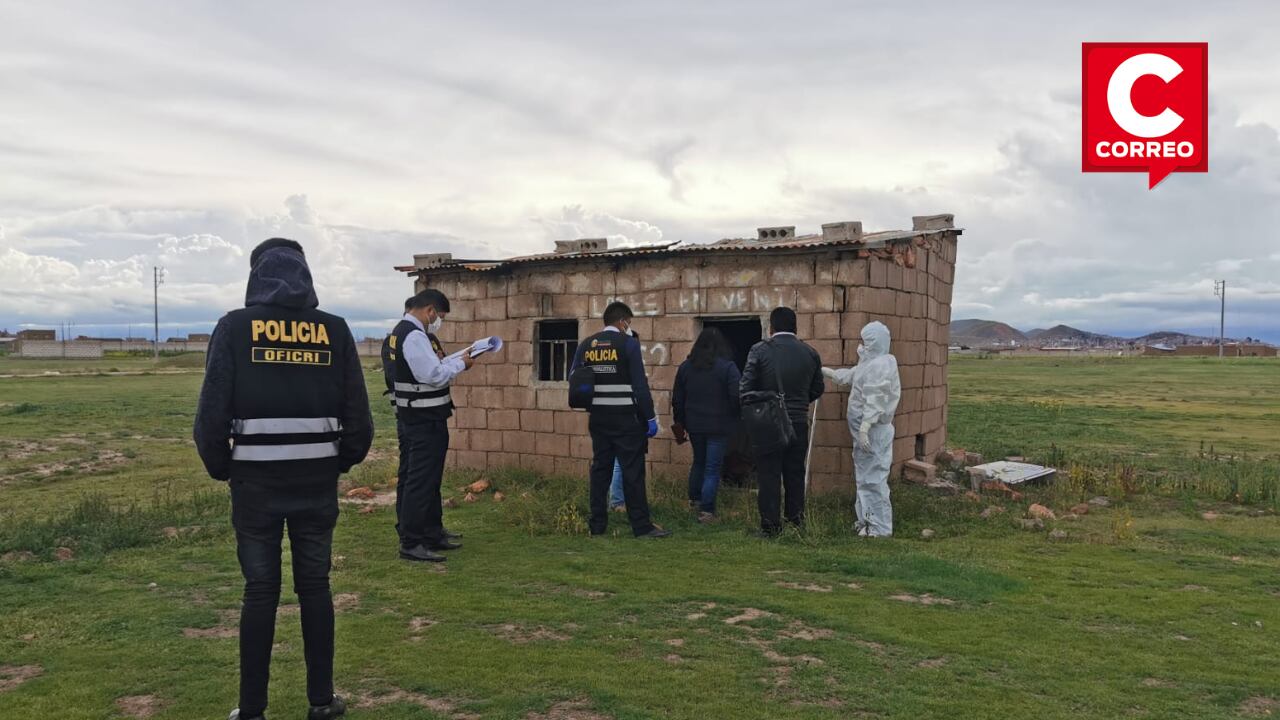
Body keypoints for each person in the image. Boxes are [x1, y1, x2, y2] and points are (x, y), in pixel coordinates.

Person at [194, 238, 373, 720]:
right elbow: (360, 420)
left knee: (260, 591)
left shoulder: (234, 327)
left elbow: (211, 414)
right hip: (316, 484)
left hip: (254, 485)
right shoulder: (334, 330)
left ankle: (252, 710)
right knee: (315, 587)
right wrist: (337, 463)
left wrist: (223, 468)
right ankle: (321, 701)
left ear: (256, 276)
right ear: (305, 274)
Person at [569, 301, 670, 538]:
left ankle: (597, 525)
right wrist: (650, 417)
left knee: (600, 470)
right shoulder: (629, 344)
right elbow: (639, 385)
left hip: (599, 419)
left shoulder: (586, 344)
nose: (629, 326)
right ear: (622, 321)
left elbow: (574, 376)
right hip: (626, 419)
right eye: (629, 322)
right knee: (632, 472)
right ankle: (641, 526)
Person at [388, 289, 475, 562]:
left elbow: (431, 366)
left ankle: (431, 532)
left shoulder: (399, 333)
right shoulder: (413, 336)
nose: (438, 322)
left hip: (415, 417)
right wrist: (461, 365)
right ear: (430, 310)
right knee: (420, 481)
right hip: (423, 420)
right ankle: (412, 541)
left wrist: (457, 359)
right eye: (440, 317)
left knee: (425, 479)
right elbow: (433, 375)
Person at [739, 306, 824, 536]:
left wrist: (766, 403)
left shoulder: (759, 350)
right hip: (798, 421)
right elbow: (818, 388)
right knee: (795, 473)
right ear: (795, 327)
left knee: (769, 475)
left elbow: (745, 388)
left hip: (769, 424)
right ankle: (796, 523)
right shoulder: (810, 353)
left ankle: (770, 526)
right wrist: (798, 402)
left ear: (771, 327)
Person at [822, 321, 901, 537]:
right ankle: (866, 521)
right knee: (864, 478)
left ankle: (879, 528)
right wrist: (826, 372)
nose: (862, 345)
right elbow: (848, 377)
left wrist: (865, 427)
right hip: (863, 433)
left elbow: (876, 399)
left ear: (874, 342)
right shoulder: (870, 363)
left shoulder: (881, 366)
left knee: (874, 479)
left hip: (873, 433)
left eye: (866, 341)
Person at [673, 326, 741, 523]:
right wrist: (734, 416)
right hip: (719, 426)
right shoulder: (727, 368)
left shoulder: (685, 367)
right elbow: (736, 396)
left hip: (694, 425)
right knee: (712, 468)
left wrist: (681, 422)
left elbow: (678, 398)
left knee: (699, 463)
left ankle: (694, 502)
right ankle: (707, 512)